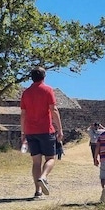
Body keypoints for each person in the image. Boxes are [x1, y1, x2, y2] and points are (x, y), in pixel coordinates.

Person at [20, 66, 64, 198]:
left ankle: (37, 191)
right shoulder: (48, 90)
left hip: (30, 131)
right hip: (46, 130)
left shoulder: (26, 93)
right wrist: (60, 129)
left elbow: (23, 114)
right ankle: (43, 177)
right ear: (44, 77)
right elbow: (53, 110)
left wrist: (23, 133)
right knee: (50, 158)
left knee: (36, 162)